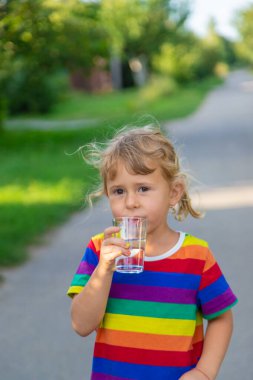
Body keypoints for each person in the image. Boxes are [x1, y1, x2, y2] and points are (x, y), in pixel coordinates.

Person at [67, 125, 237, 380]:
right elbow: (81, 325)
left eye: (143, 188)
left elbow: (221, 317)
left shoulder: (196, 256)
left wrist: (204, 371)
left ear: (174, 192)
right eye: (119, 191)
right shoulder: (101, 250)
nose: (131, 202)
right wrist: (103, 270)